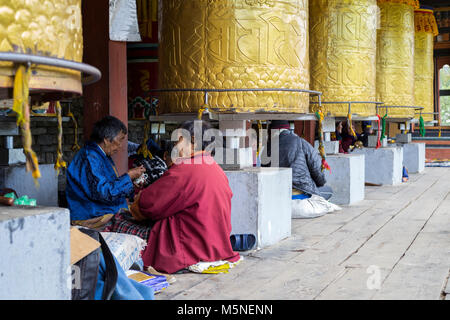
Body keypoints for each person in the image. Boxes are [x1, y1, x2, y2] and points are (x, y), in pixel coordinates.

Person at [129, 120, 241, 274]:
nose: (175, 147)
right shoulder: (213, 166)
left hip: (188, 249)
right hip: (216, 245)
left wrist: (138, 199)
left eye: (178, 141)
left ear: (193, 141)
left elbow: (148, 205)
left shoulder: (186, 168)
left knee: (120, 222)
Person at [66, 115, 145, 229]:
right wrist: (128, 176)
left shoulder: (101, 155)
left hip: (104, 211)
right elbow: (103, 192)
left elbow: (110, 186)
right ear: (107, 140)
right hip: (92, 215)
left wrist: (131, 183)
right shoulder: (90, 157)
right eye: (120, 140)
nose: (120, 146)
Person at [269, 120, 333, 200]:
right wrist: (319, 183)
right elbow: (316, 168)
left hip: (278, 195)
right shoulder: (300, 141)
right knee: (329, 190)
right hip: (301, 194)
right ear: (288, 129)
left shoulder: (268, 147)